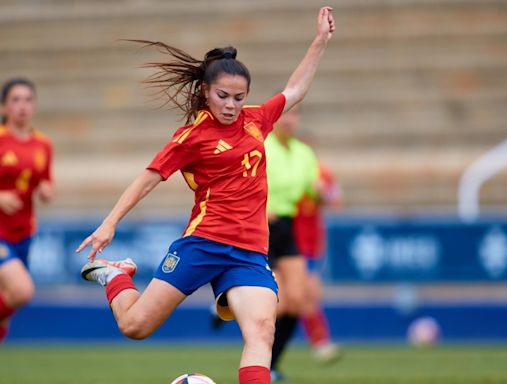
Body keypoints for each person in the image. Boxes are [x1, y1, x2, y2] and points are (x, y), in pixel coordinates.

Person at [76, 7, 335, 384]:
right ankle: (116, 276)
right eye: (223, 96)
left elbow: (295, 90)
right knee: (135, 326)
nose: (231, 105)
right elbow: (148, 178)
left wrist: (319, 41)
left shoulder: (256, 119)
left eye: (238, 97)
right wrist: (109, 224)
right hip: (204, 243)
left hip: (249, 253)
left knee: (262, 330)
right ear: (206, 92)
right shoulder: (191, 137)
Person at [264, 105, 319, 381]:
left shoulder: (304, 153)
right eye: (284, 114)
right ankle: (262, 365)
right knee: (279, 304)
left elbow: (314, 192)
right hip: (261, 228)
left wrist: (322, 193)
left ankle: (272, 365)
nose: (289, 119)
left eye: (294, 114)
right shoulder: (262, 146)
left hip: (287, 227)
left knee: (297, 302)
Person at [0, 78, 54, 343]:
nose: (22, 106)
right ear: (4, 106)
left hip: (23, 233)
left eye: (28, 100)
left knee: (6, 308)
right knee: (21, 291)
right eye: (16, 100)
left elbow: (46, 181)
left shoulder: (42, 144)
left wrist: (46, 189)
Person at [293, 163, 343, 363]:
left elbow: (336, 201)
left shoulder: (322, 172)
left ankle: (320, 342)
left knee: (306, 295)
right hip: (288, 243)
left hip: (310, 245)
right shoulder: (281, 170)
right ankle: (320, 342)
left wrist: (322, 193)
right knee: (307, 294)